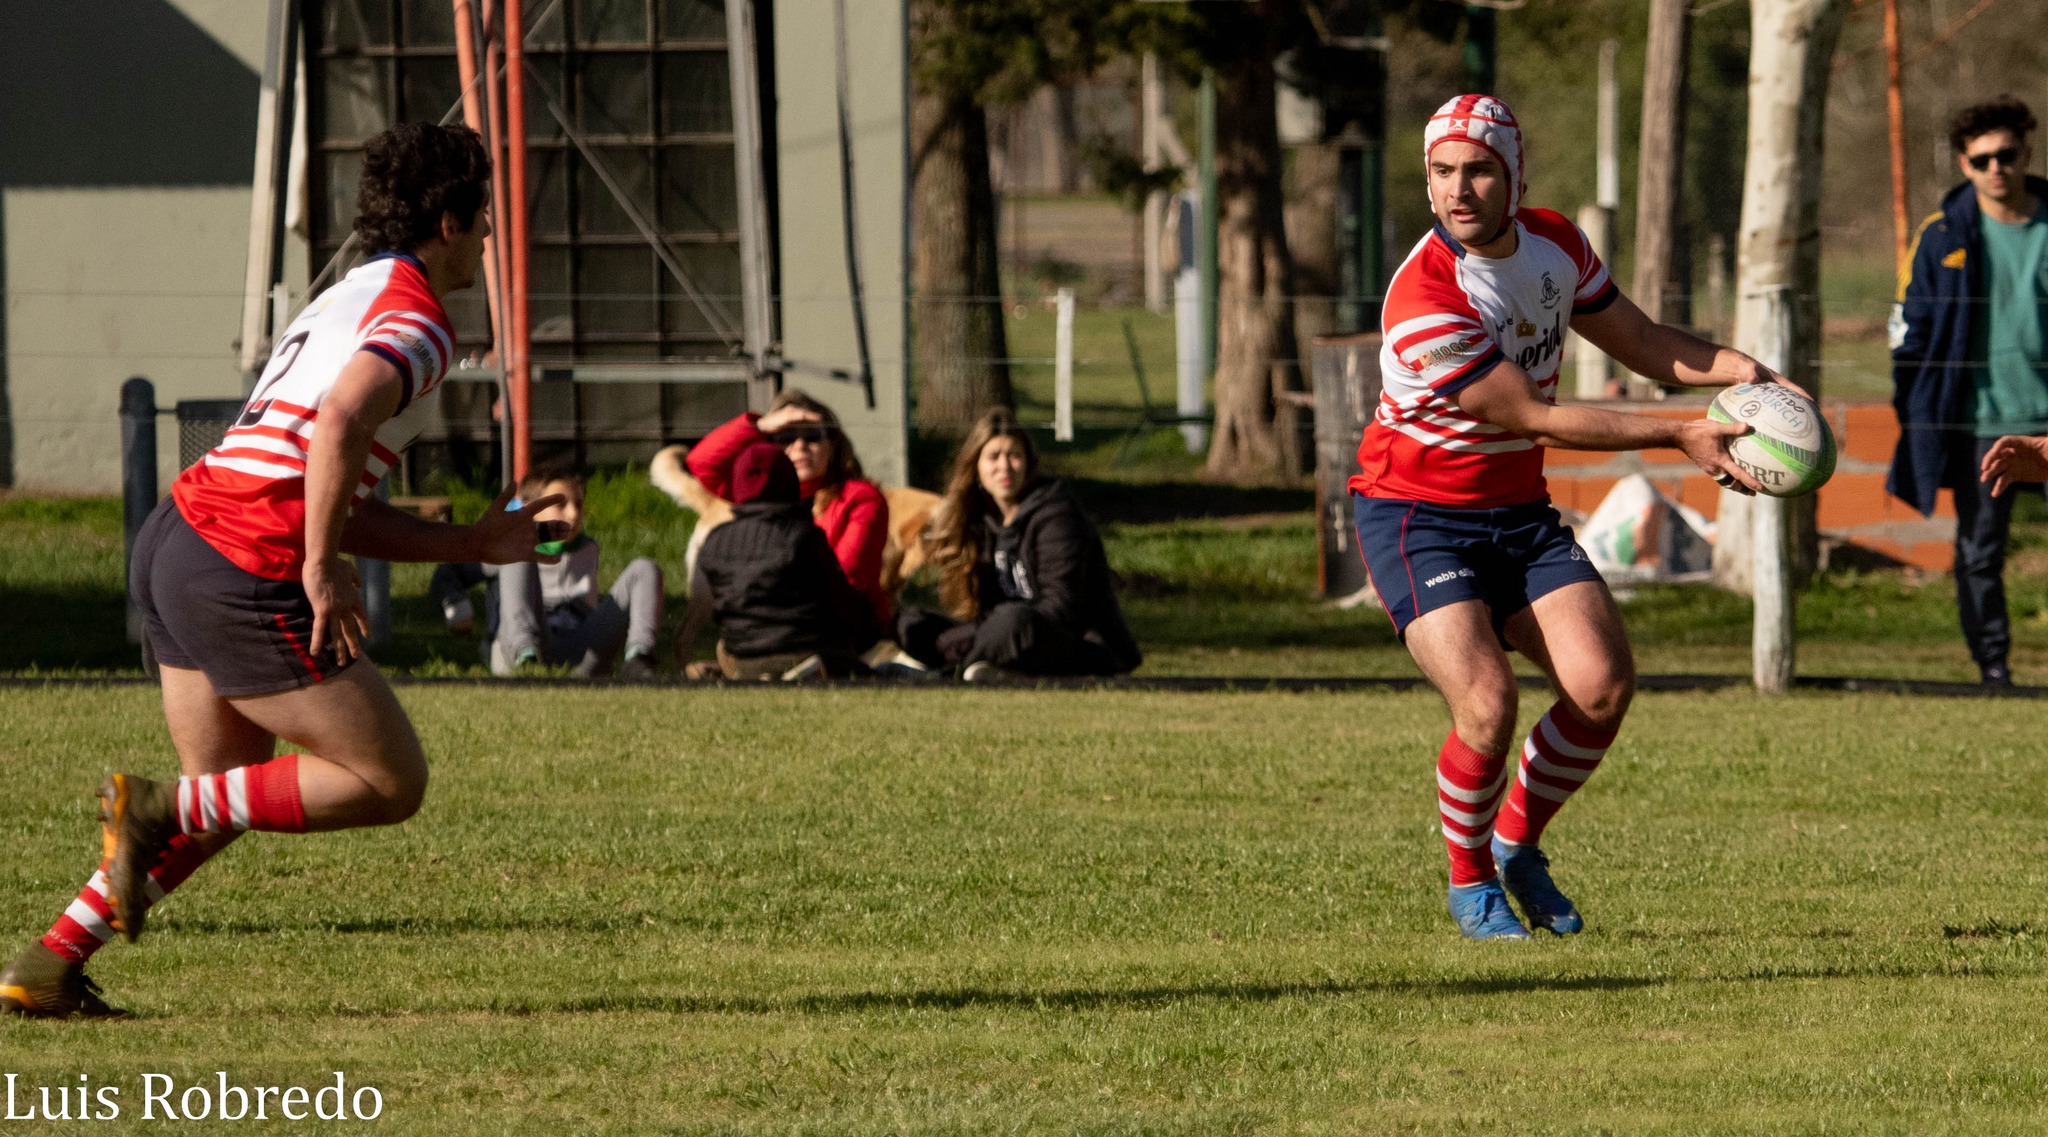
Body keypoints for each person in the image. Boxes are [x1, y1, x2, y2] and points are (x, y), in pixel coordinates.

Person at [0, 122, 563, 1018]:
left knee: (221, 801)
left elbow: (317, 477)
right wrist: (322, 565)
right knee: (388, 779)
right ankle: (151, 807)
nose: (491, 235)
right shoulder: (419, 321)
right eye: (486, 217)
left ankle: (45, 967)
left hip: (179, 538)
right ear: (450, 221)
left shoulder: (349, 294)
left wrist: (470, 545)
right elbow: (337, 432)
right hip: (241, 562)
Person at [1352, 95, 1785, 941]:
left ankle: (1517, 844)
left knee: (1601, 687)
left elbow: (1645, 340)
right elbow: (1535, 417)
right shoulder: (1423, 298)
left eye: (1478, 169)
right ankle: (1471, 881)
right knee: (1486, 701)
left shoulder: (1555, 242)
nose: (1458, 189)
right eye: (1441, 172)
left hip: (1515, 511)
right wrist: (1679, 433)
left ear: (1515, 176)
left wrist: (1751, 374)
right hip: (1415, 516)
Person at [1888, 97, 2048, 688]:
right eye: (1983, 160)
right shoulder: (1941, 236)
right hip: (1981, 422)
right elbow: (1907, 333)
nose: (1997, 168)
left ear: (2027, 153)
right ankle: (1994, 669)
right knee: (1980, 550)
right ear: (1964, 164)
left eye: (2007, 155)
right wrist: (1918, 410)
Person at [896, 409, 1140, 680]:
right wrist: (975, 631)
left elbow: (1061, 608)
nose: (1005, 467)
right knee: (913, 622)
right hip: (1002, 632)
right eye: (993, 457)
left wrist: (978, 632)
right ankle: (978, 664)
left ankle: (949, 675)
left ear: (1029, 463)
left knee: (1013, 622)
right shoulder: (983, 520)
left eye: (1014, 455)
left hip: (1075, 642)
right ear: (976, 466)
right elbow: (989, 606)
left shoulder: (1057, 515)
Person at [430, 470, 664, 680]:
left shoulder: (588, 548)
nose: (573, 514)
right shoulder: (504, 547)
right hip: (519, 645)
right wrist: (456, 606)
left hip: (579, 649)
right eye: (560, 505)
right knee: (520, 552)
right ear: (530, 507)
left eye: (579, 504)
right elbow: (448, 571)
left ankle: (638, 658)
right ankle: (527, 661)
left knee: (644, 568)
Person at [686, 391, 891, 627]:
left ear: (833, 446)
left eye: (813, 436)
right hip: (771, 627)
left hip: (843, 629)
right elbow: (702, 463)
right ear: (770, 446)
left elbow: (846, 580)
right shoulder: (760, 498)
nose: (800, 446)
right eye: (786, 436)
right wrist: (760, 425)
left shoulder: (860, 499)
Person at [693, 443, 875, 679]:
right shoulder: (803, 535)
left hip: (743, 656)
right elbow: (841, 605)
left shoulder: (715, 540)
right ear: (789, 482)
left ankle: (735, 673)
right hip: (808, 652)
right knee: (886, 672)